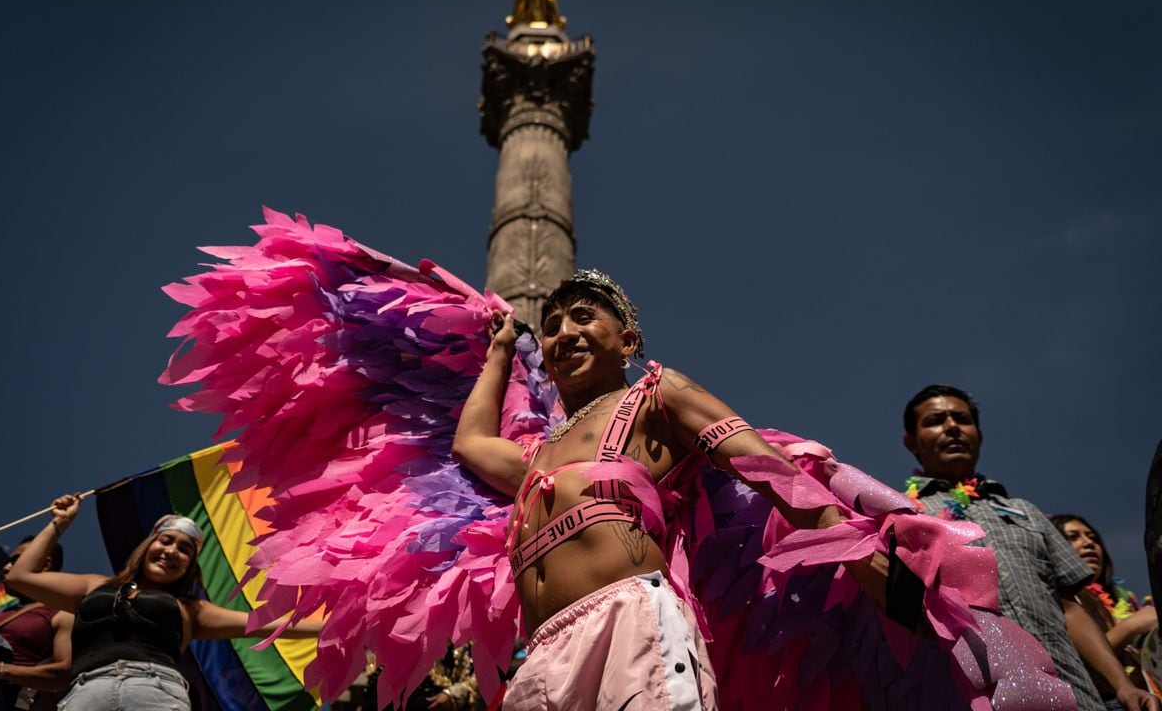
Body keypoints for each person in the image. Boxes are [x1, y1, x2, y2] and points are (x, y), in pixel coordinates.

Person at [453, 270, 887, 710]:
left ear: (626, 342)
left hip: (628, 629)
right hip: (540, 659)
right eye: (551, 328)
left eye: (583, 318)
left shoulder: (656, 397)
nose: (564, 334)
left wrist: (856, 549)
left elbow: (768, 469)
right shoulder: (537, 455)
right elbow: (469, 443)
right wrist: (502, 351)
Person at [901, 384, 1159, 711]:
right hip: (983, 697)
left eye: (962, 419)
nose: (952, 427)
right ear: (910, 442)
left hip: (1077, 694)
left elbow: (1069, 607)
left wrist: (1122, 686)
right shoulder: (906, 517)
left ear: (978, 433)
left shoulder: (1026, 511)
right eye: (936, 420)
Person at [5, 494, 322, 711]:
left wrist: (339, 626)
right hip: (87, 691)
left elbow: (267, 625)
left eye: (184, 550)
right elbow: (20, 577)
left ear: (189, 565)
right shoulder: (93, 584)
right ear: (148, 546)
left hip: (156, 691)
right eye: (166, 541)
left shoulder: (191, 608)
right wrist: (59, 523)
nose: (172, 552)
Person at [1053, 514, 1158, 708]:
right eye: (1073, 537)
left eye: (1093, 538)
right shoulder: (1059, 598)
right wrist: (1132, 626)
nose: (1088, 543)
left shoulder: (1125, 600)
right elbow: (1073, 662)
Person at [0, 538, 73, 711]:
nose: (6, 567)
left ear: (45, 564)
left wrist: (0, 669)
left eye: (15, 561)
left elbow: (62, 675)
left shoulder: (62, 614)